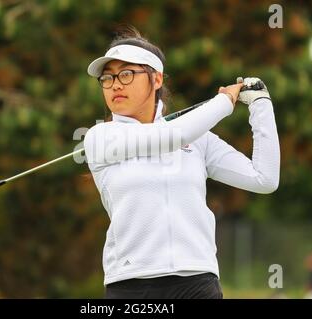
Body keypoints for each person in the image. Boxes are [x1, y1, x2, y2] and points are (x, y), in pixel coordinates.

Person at [83, 26, 280, 299]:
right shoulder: (100, 137)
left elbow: (264, 179)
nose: (115, 83)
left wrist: (261, 106)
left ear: (156, 80)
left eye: (126, 74)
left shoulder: (198, 140)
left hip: (198, 282)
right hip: (131, 286)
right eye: (107, 78)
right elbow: (172, 136)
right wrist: (224, 101)